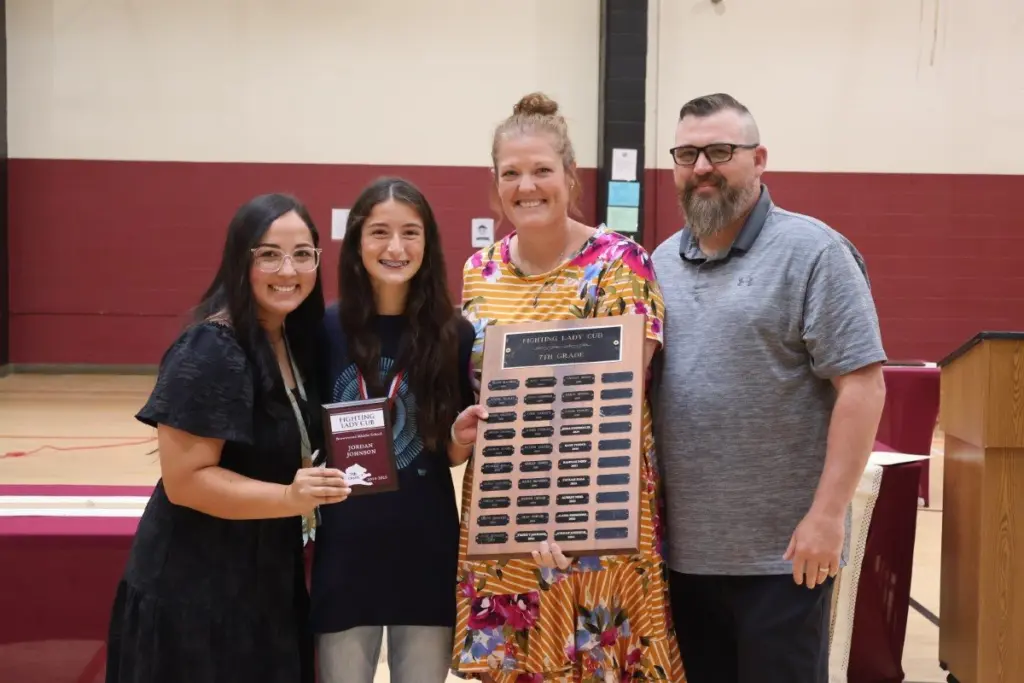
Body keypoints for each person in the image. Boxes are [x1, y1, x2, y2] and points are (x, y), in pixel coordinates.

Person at [650, 92, 888, 683]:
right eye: (687, 154)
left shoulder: (815, 253)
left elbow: (862, 387)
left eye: (720, 151)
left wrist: (827, 517)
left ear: (759, 159)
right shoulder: (658, 263)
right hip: (681, 559)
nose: (702, 167)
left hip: (785, 558)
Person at [449, 93, 686, 682]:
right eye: (511, 173)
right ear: (495, 183)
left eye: (541, 170)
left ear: (570, 176)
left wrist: (566, 514)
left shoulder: (620, 262)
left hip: (597, 508)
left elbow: (617, 400)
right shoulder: (480, 271)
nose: (526, 186)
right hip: (505, 513)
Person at [105, 193, 351, 683]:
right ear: (241, 259)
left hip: (264, 584)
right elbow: (186, 482)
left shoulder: (291, 339)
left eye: (303, 254)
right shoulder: (212, 347)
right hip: (195, 597)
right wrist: (289, 498)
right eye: (269, 254)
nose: (288, 269)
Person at [310, 177, 481, 683]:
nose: (395, 248)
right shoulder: (322, 330)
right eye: (380, 232)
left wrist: (461, 438)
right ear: (357, 241)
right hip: (345, 546)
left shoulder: (454, 334)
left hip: (425, 544)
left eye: (410, 232)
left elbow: (446, 452)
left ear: (428, 243)